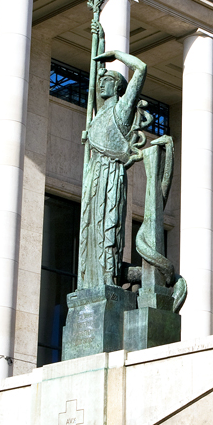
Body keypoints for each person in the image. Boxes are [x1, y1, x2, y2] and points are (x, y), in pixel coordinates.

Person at [76, 48, 148, 290]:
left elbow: (141, 69)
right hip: (94, 175)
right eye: (100, 82)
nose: (101, 85)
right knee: (90, 227)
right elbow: (94, 69)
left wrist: (116, 54)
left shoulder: (122, 109)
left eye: (107, 81)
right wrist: (99, 36)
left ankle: (109, 278)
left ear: (118, 87)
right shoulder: (98, 114)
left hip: (110, 174)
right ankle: (90, 282)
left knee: (109, 223)